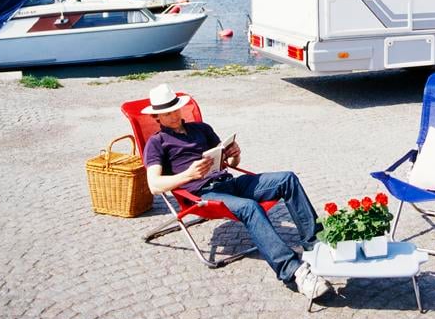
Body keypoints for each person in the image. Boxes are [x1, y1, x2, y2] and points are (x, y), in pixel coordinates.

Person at [141, 84, 333, 300]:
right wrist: (189, 175)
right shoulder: (157, 143)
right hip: (203, 195)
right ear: (157, 117)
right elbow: (154, 185)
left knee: (287, 178)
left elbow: (229, 162)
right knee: (249, 207)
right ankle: (294, 272)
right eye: (167, 113)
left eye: (176, 109)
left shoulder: (201, 129)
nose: (174, 115)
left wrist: (235, 155)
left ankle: (316, 245)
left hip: (230, 183)